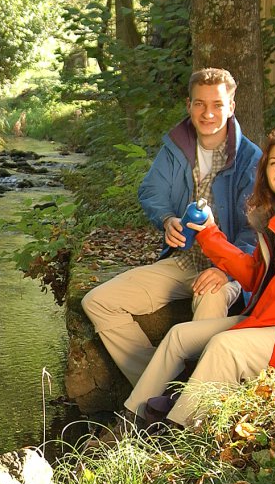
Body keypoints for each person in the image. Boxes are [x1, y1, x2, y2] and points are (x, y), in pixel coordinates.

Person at [125, 125, 275, 426]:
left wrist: (222, 337)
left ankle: (177, 435)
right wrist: (209, 232)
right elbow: (254, 277)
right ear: (265, 170)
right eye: (274, 163)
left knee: (223, 346)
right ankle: (131, 422)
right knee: (179, 336)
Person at [82, 68, 263, 388]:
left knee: (210, 295)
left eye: (218, 104)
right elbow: (151, 191)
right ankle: (161, 388)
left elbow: (255, 230)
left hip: (230, 266)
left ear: (232, 106)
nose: (208, 113)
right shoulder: (176, 146)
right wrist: (167, 219)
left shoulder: (250, 159)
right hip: (183, 258)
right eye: (199, 103)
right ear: (188, 104)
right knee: (97, 302)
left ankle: (202, 402)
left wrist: (227, 271)